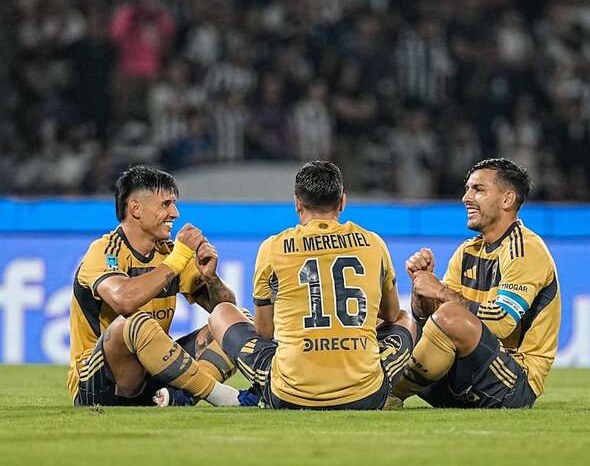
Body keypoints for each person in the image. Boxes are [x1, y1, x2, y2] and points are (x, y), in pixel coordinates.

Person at [208, 160, 416, 410]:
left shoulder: (273, 248)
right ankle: (384, 389)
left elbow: (265, 332)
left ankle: (247, 392)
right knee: (405, 319)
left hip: (289, 396)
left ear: (297, 203)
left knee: (222, 313)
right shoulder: (373, 243)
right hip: (365, 396)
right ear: (342, 202)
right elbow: (391, 314)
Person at [68, 164, 245, 407]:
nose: (175, 213)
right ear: (136, 208)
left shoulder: (170, 253)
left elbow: (225, 310)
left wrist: (211, 278)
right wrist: (179, 257)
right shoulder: (104, 251)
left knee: (235, 319)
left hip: (153, 375)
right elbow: (124, 301)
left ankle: (178, 397)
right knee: (133, 322)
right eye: (166, 204)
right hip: (100, 386)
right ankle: (221, 395)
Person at [393, 157, 561, 408]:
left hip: (512, 383)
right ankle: (364, 386)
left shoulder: (525, 249)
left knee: (451, 314)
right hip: (464, 376)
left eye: (478, 189)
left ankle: (389, 393)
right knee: (396, 322)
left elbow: (502, 322)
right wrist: (422, 288)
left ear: (507, 199)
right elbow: (432, 320)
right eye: (467, 188)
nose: (466, 197)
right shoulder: (468, 251)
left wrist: (440, 290)